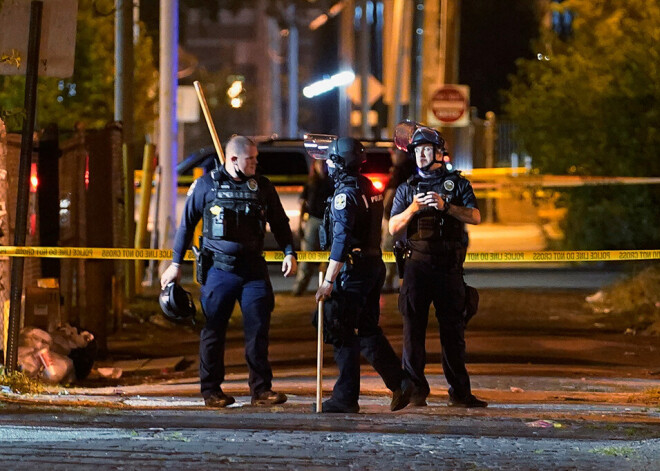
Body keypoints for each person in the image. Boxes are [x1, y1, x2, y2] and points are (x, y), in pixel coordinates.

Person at [160, 135, 298, 408]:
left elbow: (280, 222)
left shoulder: (262, 187)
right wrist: (176, 264)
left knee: (258, 330)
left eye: (256, 158)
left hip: (254, 271)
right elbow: (186, 226)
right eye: (251, 159)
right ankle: (211, 391)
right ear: (233, 159)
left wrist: (289, 252)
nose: (256, 163)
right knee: (212, 331)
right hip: (219, 271)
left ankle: (261, 390)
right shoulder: (206, 185)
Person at [388, 126, 487, 408]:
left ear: (438, 153)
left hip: (448, 267)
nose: (420, 156)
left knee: (453, 333)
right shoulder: (407, 188)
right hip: (417, 266)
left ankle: (460, 392)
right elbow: (393, 226)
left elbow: (476, 216)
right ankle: (417, 392)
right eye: (417, 151)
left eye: (426, 150)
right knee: (412, 332)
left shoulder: (457, 184)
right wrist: (413, 209)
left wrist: (446, 207)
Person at [314, 137, 412, 413]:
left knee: (341, 329)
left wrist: (328, 281)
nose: (329, 166)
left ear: (341, 163)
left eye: (332, 161)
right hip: (373, 265)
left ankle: (345, 398)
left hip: (354, 270)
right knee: (368, 331)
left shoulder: (346, 194)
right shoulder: (369, 186)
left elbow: (342, 240)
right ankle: (401, 382)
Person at [291, 159, 334, 296]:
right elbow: (303, 204)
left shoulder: (333, 182)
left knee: (330, 258)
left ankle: (328, 290)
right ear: (314, 166)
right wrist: (300, 225)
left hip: (329, 222)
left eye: (324, 164)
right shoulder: (311, 183)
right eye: (319, 164)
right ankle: (298, 290)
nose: (322, 167)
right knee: (307, 257)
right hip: (313, 220)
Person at [381, 147, 415, 292]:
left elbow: (390, 192)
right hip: (409, 216)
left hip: (394, 217)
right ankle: (403, 282)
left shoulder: (399, 170)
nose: (393, 157)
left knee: (389, 248)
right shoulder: (413, 168)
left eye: (394, 153)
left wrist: (382, 212)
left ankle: (388, 281)